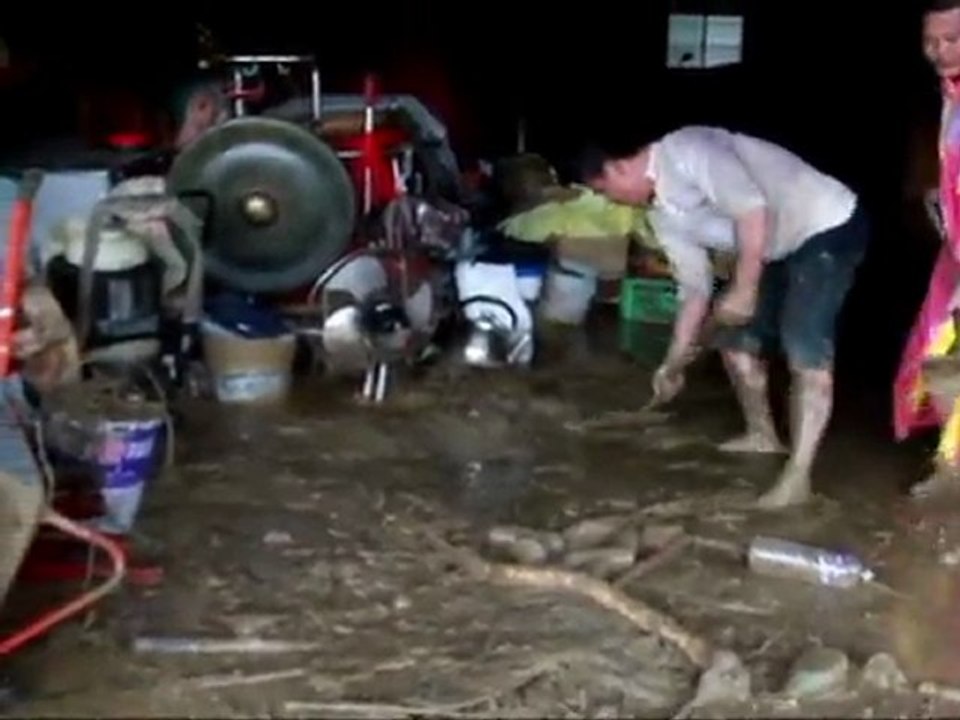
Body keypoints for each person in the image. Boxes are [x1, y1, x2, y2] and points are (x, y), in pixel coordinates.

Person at [578, 125, 869, 509]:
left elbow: (752, 210)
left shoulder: (688, 148)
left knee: (804, 343)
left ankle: (798, 475)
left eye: (603, 191)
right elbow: (695, 291)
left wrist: (745, 289)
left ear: (616, 169)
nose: (610, 200)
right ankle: (763, 435)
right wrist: (672, 362)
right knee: (734, 342)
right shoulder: (663, 216)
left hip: (824, 225)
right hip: (774, 247)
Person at [894, 0, 960, 497]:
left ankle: (949, 474)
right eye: (930, 42)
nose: (938, 51)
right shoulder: (950, 95)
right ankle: (948, 466)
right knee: (933, 351)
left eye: (951, 40)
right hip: (955, 250)